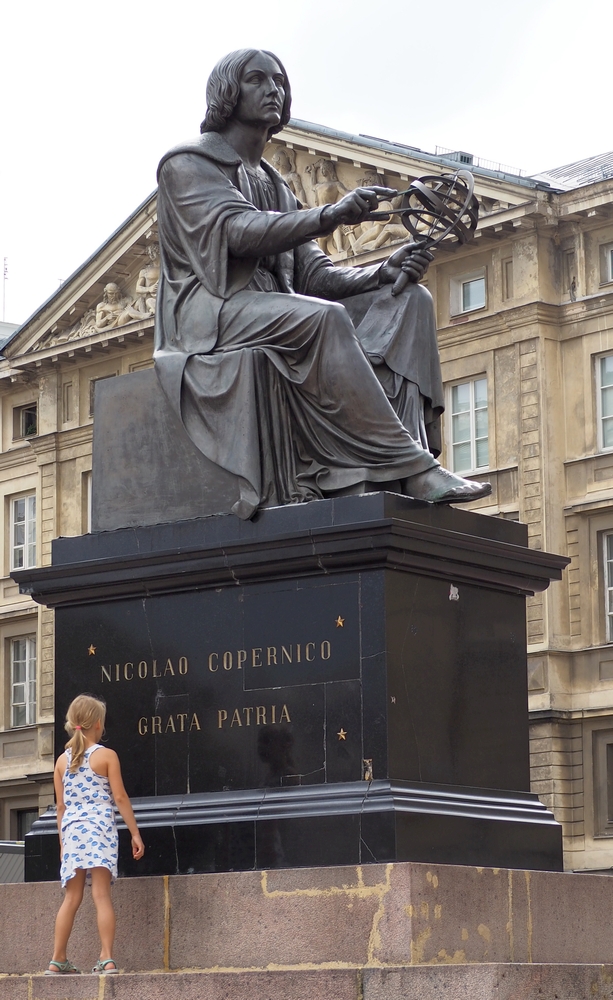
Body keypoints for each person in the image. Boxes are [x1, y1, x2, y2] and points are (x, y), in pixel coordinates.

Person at [155, 48, 491, 519]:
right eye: (258, 80)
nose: (274, 89)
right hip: (211, 313)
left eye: (280, 81)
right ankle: (409, 466)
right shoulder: (187, 165)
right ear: (228, 95)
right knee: (322, 319)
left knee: (410, 299)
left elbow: (314, 275)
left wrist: (382, 273)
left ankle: (392, 470)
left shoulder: (276, 184)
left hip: (273, 310)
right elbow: (238, 231)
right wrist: (329, 214)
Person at [45, 694, 144, 976]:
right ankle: (107, 958)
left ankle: (57, 959)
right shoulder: (106, 756)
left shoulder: (61, 762)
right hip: (99, 829)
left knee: (71, 897)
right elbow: (120, 797)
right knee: (101, 895)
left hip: (73, 830)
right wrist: (134, 833)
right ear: (97, 724)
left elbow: (60, 807)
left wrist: (63, 844)